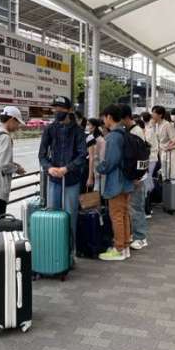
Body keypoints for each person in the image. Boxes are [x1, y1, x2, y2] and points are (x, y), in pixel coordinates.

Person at [39, 96, 87, 255]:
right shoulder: (50, 129)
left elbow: (82, 155)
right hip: (54, 179)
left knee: (70, 215)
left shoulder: (78, 131)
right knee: (53, 214)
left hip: (71, 180)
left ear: (69, 110)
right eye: (55, 108)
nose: (57, 111)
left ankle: (69, 251)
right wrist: (49, 168)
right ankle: (54, 250)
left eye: (61, 108)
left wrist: (67, 168)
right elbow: (42, 155)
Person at [97, 105, 134, 261]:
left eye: (104, 118)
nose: (103, 121)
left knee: (117, 216)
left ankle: (118, 249)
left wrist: (99, 168)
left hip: (116, 183)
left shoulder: (113, 137)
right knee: (123, 214)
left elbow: (110, 162)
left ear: (109, 117)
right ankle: (125, 246)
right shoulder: (124, 133)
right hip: (126, 181)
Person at [0, 106, 26, 226]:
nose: (18, 127)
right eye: (17, 123)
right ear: (11, 119)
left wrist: (13, 164)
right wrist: (17, 169)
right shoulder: (5, 137)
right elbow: (4, 165)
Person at [120, 105, 149, 251]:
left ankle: (140, 237)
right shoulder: (130, 130)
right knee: (132, 207)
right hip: (134, 176)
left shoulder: (136, 131)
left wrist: (138, 176)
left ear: (125, 117)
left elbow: (141, 156)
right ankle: (136, 234)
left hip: (137, 177)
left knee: (136, 207)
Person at [152, 105, 175, 180]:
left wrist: (167, 147)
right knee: (164, 176)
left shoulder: (167, 125)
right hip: (163, 153)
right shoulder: (156, 125)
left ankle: (173, 188)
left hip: (171, 153)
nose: (152, 115)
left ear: (160, 115)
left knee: (171, 176)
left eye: (154, 113)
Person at [141, 111, 159, 217]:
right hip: (152, 158)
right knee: (148, 181)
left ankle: (147, 209)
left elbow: (147, 145)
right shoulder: (150, 129)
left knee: (147, 183)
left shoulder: (148, 131)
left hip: (151, 158)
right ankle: (149, 207)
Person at [86, 117, 105, 192]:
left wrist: (90, 177)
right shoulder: (102, 137)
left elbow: (91, 158)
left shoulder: (90, 138)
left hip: (93, 168)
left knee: (94, 191)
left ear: (93, 126)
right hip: (102, 167)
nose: (87, 127)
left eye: (89, 124)